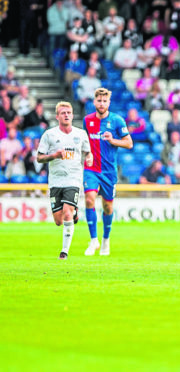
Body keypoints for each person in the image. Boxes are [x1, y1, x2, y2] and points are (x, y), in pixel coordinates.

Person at [37, 101, 93, 259]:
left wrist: (89, 158)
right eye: (63, 113)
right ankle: (74, 213)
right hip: (55, 181)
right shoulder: (49, 135)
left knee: (67, 214)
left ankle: (64, 252)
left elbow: (88, 152)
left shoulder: (80, 134)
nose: (66, 115)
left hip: (73, 178)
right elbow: (39, 158)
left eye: (69, 112)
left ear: (72, 115)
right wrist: (54, 156)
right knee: (58, 221)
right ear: (57, 116)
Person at [83, 88, 133, 256]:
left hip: (109, 172)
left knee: (107, 206)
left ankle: (106, 240)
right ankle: (93, 240)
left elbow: (129, 143)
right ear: (94, 102)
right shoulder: (87, 120)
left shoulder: (117, 120)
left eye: (105, 101)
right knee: (89, 199)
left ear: (109, 103)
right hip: (91, 169)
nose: (102, 103)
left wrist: (113, 140)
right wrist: (86, 154)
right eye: (99, 100)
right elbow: (85, 142)